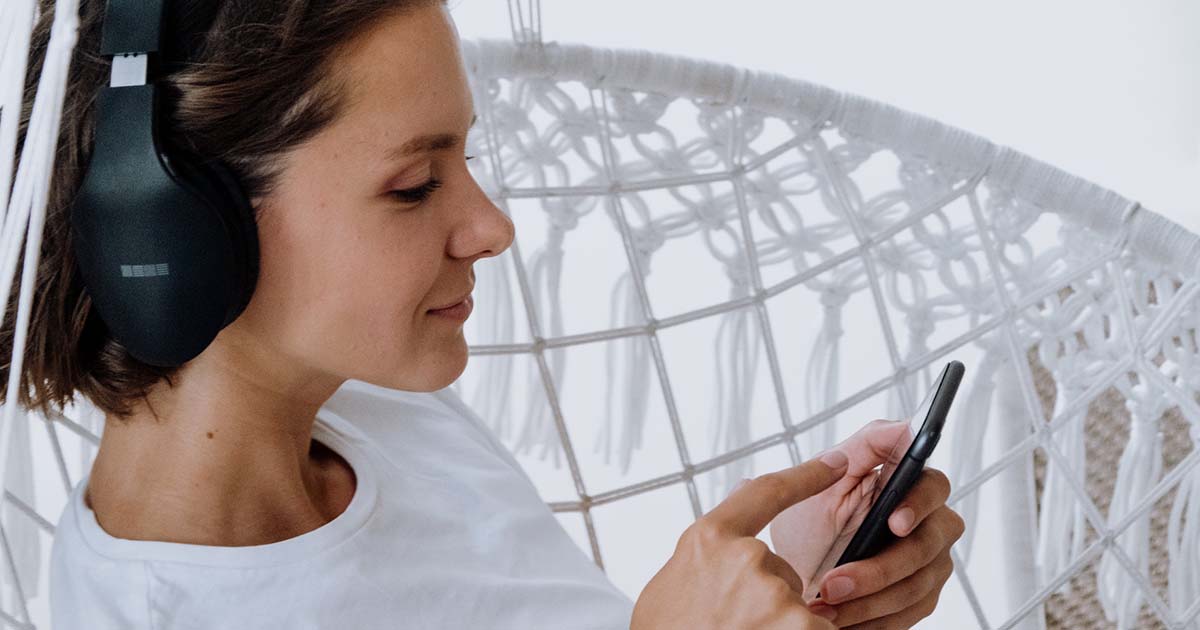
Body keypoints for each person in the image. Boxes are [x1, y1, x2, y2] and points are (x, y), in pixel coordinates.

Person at [6, 0, 964, 627]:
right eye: (416, 185)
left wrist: (790, 590)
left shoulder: (378, 414)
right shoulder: (167, 612)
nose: (494, 226)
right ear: (170, 226)